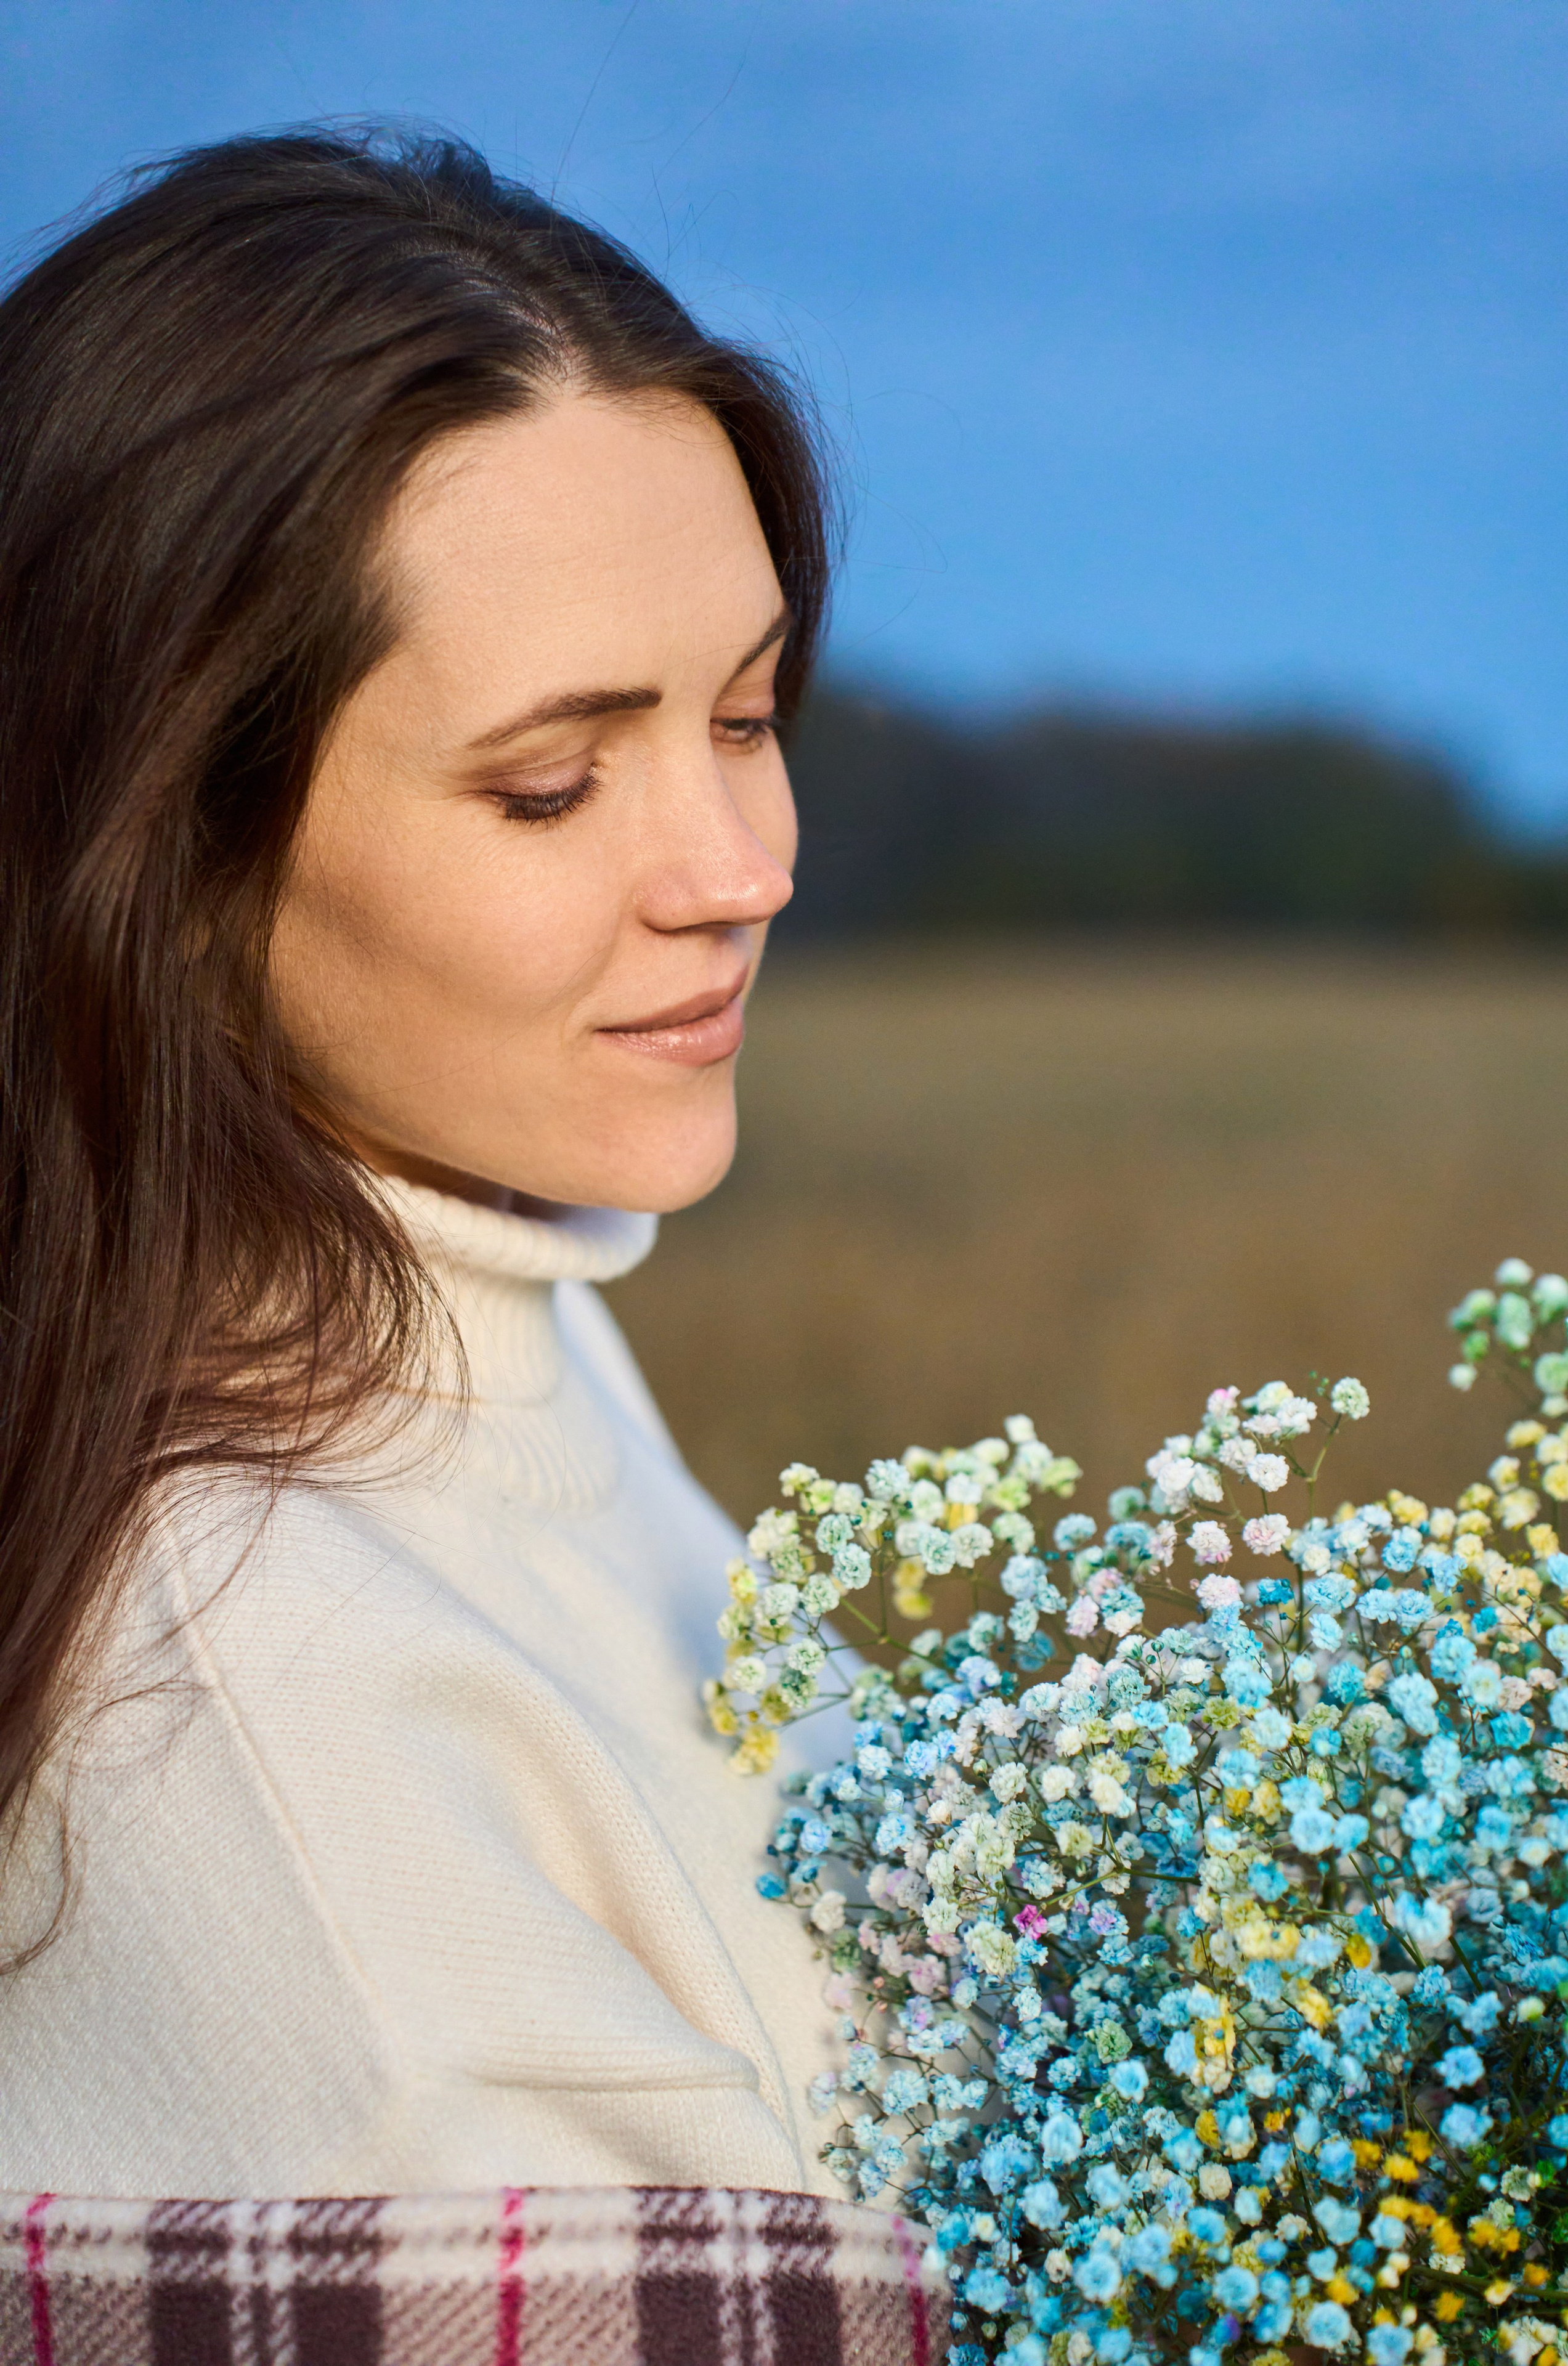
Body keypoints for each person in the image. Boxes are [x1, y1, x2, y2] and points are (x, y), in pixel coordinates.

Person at [0, 124, 847, 2200]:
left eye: (744, 717)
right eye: (553, 787)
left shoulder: (509, 1302)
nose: (740, 873)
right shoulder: (266, 1711)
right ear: (168, 849)